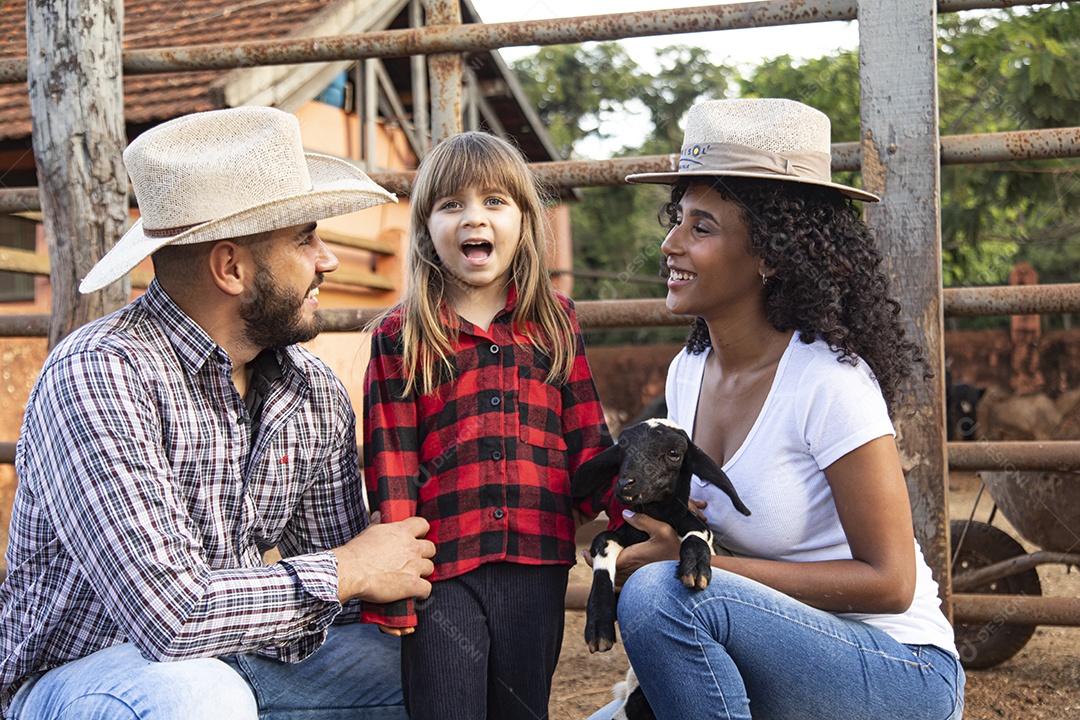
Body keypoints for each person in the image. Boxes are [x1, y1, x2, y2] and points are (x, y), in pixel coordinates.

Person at [0, 107, 437, 720]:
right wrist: (347, 568)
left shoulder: (310, 389)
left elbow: (352, 590)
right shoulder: (101, 372)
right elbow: (171, 619)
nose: (327, 260)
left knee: (439, 666)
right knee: (198, 696)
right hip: (88, 681)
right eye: (305, 237)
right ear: (231, 268)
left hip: (240, 660)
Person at [589, 98, 965, 720]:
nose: (671, 244)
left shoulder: (828, 383)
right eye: (676, 218)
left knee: (660, 595)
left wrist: (710, 567)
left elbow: (892, 583)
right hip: (770, 659)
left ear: (772, 253)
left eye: (701, 227)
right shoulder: (688, 373)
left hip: (900, 671)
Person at [361, 131, 613, 720]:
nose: (475, 217)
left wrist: (630, 513)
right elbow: (393, 465)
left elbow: (587, 439)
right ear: (425, 228)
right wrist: (397, 590)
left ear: (525, 221)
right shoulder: (400, 334)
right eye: (452, 205)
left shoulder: (556, 321)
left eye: (496, 202)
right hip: (440, 569)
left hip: (539, 558)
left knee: (523, 710)